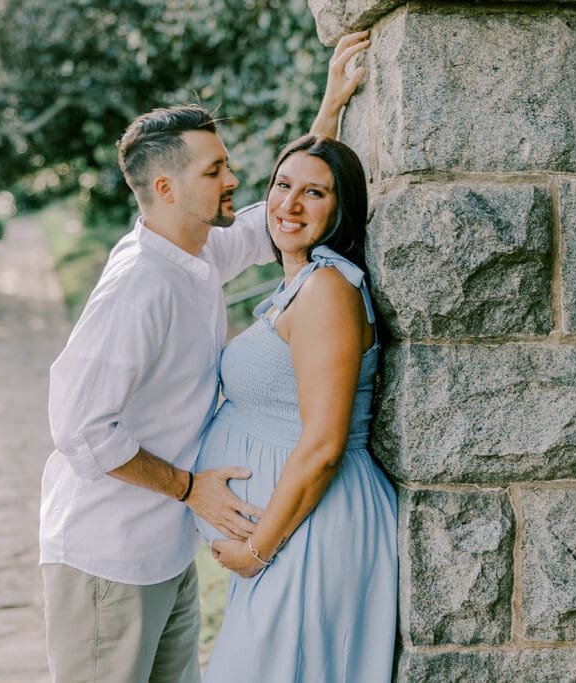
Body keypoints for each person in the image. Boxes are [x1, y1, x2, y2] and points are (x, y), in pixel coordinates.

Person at [38, 32, 372, 683]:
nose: (235, 178)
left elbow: (276, 215)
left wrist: (328, 114)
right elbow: (79, 429)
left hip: (164, 552)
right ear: (166, 186)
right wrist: (192, 487)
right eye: (214, 170)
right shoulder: (139, 286)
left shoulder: (193, 253)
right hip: (109, 556)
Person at [194, 133, 398, 682]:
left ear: (341, 209)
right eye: (283, 186)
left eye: (314, 193)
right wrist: (329, 107)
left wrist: (257, 549)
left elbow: (325, 445)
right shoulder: (303, 279)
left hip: (308, 531)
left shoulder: (328, 290)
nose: (289, 204)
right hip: (291, 531)